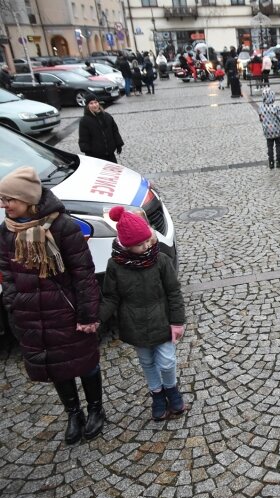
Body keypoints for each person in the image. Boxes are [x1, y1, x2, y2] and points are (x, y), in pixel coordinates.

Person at [0, 166, 103, 444]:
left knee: (85, 362)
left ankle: (96, 409)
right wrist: (13, 302)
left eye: (10, 199)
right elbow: (6, 272)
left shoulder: (61, 227)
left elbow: (83, 273)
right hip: (32, 312)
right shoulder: (7, 231)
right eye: (3, 199)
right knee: (56, 365)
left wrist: (87, 313)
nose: (4, 205)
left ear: (28, 199)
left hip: (65, 311)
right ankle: (73, 413)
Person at [100, 206, 186, 421]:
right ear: (127, 246)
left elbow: (173, 292)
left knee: (166, 361)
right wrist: (96, 318)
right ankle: (157, 394)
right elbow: (111, 296)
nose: (147, 245)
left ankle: (171, 388)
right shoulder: (115, 266)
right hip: (134, 324)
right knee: (146, 362)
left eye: (148, 240)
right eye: (140, 244)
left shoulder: (160, 260)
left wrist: (177, 322)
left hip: (162, 321)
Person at [78, 94, 124, 163]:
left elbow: (115, 131)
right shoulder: (84, 121)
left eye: (96, 102)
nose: (94, 105)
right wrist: (88, 152)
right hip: (96, 157)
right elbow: (84, 139)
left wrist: (118, 145)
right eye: (91, 103)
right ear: (87, 106)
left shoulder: (107, 116)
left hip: (111, 155)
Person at [257, 87, 280, 169]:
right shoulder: (275, 107)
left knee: (269, 146)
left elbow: (261, 119)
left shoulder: (261, 108)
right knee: (278, 145)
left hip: (267, 130)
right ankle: (279, 161)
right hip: (276, 130)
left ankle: (271, 162)